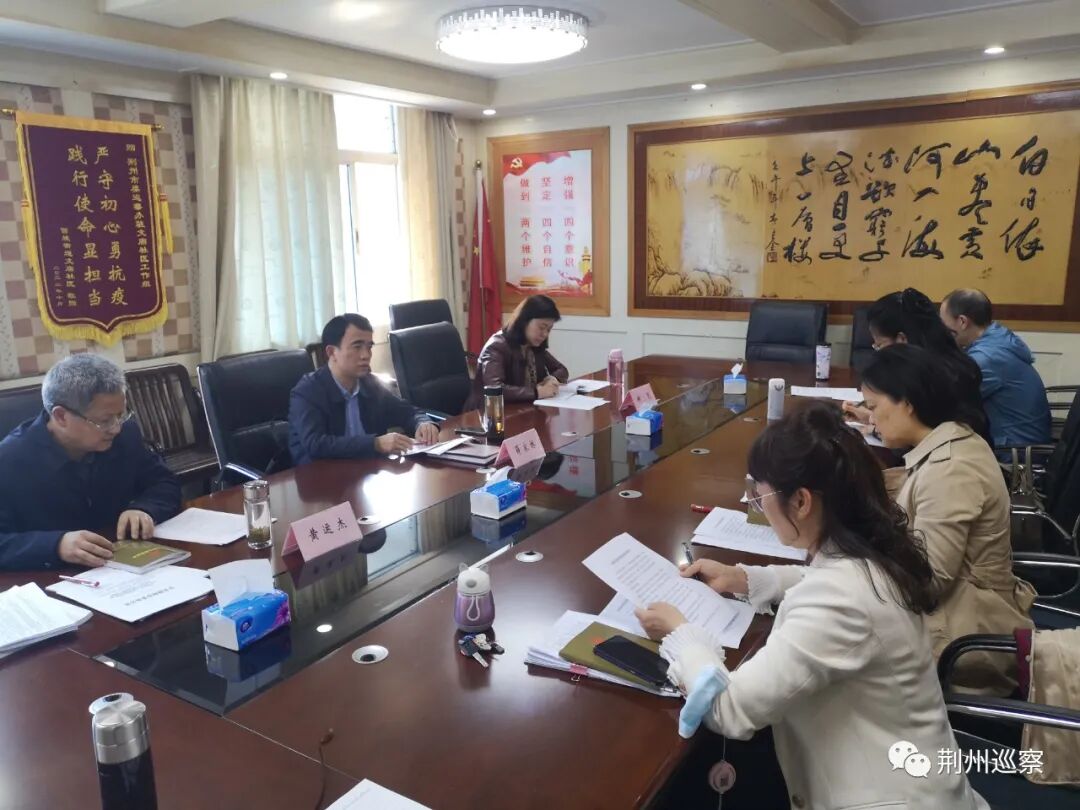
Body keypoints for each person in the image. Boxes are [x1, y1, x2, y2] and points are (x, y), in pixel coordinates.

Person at [635, 402, 988, 809]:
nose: (758, 506)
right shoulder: (874, 547)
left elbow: (729, 710)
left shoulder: (840, 600)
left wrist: (681, 635)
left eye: (760, 496)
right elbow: (824, 579)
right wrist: (745, 579)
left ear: (801, 502)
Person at [861, 344, 1034, 693]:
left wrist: (855, 565)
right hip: (955, 616)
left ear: (907, 402)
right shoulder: (955, 439)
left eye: (874, 407)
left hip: (962, 640)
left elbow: (927, 582)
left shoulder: (951, 469)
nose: (871, 418)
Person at [0, 354, 181, 571]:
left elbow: (164, 482)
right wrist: (56, 545)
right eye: (105, 420)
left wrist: (145, 509)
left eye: (121, 415)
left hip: (121, 565)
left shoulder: (125, 436)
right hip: (50, 575)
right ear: (61, 416)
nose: (116, 428)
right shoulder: (9, 461)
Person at [289, 313, 440, 466]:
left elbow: (407, 412)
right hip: (322, 475)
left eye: (369, 347)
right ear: (331, 352)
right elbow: (315, 444)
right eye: (357, 347)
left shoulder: (370, 384)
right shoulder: (308, 391)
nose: (366, 355)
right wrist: (375, 444)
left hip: (368, 472)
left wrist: (423, 424)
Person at [844, 288, 988, 442]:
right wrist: (875, 416)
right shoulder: (950, 361)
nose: (878, 352)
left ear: (901, 340)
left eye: (879, 345)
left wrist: (875, 428)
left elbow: (915, 439)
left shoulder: (932, 379)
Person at [940, 288, 1051, 449]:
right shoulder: (999, 339)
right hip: (1022, 440)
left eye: (943, 323)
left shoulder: (987, 358)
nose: (942, 330)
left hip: (1013, 450)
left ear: (962, 322)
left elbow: (948, 401)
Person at [467, 294, 568, 410]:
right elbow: (495, 389)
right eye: (541, 327)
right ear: (525, 321)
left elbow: (561, 369)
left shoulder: (533, 345)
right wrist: (537, 392)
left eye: (548, 330)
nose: (545, 334)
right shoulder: (497, 346)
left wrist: (552, 379)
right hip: (487, 413)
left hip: (522, 409)